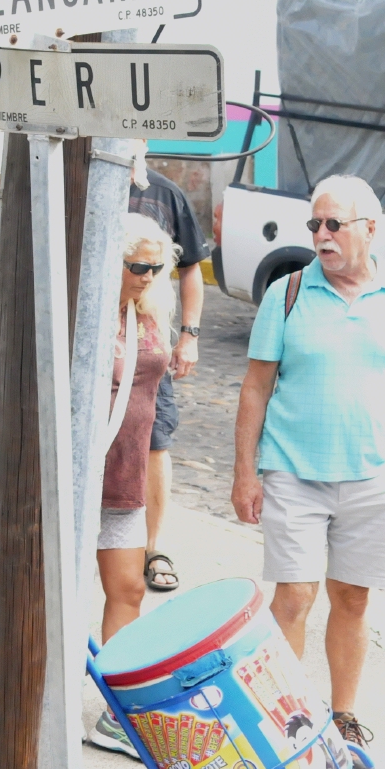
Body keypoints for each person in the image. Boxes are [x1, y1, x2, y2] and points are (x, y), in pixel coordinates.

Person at [231, 174, 385, 769]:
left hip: (375, 476)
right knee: (293, 596)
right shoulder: (289, 293)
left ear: (369, 229)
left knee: (352, 597)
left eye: (333, 225)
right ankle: (286, 724)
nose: (320, 236)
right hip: (294, 470)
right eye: (314, 225)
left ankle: (341, 720)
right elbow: (255, 387)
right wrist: (246, 470)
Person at [87, 214, 177, 755]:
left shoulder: (146, 312)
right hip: (77, 475)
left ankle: (114, 713)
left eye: (154, 266)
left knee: (128, 589)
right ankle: (35, 698)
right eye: (135, 266)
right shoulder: (82, 308)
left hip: (125, 473)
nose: (146, 275)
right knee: (57, 594)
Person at [127, 166, 205, 594]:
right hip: (84, 333)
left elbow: (191, 267)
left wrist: (189, 336)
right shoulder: (69, 177)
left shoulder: (165, 194)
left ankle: (153, 547)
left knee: (155, 438)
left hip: (147, 336)